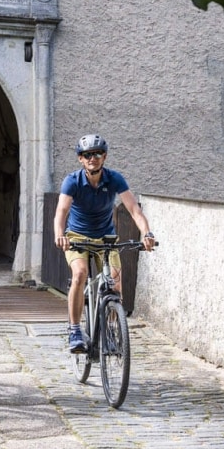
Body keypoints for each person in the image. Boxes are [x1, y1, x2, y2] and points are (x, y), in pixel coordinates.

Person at [53, 133, 156, 353]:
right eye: (88, 154)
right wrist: (59, 234)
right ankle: (74, 330)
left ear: (104, 156)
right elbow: (61, 211)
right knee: (80, 274)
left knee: (115, 286)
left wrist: (146, 233)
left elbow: (134, 209)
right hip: (77, 237)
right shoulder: (72, 181)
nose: (93, 158)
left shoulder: (114, 178)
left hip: (105, 238)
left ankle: (109, 331)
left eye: (97, 153)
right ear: (81, 158)